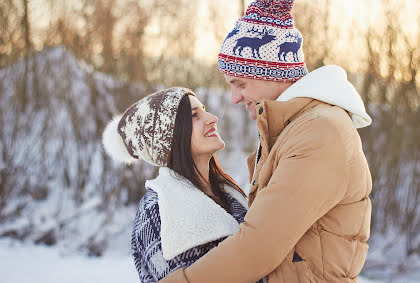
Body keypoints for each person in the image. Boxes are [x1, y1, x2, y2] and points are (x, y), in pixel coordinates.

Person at [159, 0, 373, 282]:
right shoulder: (295, 129)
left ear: (273, 73)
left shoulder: (319, 132)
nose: (234, 98)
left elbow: (259, 245)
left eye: (241, 83)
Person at [102, 87, 248, 282]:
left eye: (204, 110)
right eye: (195, 116)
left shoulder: (228, 193)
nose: (213, 118)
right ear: (170, 137)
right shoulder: (156, 212)